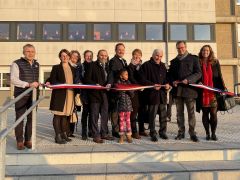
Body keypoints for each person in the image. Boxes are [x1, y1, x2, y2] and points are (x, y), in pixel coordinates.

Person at [168, 41, 202, 142]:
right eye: (178, 48)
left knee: (191, 113)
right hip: (178, 91)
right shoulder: (173, 61)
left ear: (185, 47)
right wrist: (172, 81)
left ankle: (192, 133)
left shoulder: (193, 59)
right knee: (179, 113)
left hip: (190, 90)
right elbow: (169, 75)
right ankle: (181, 132)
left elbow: (198, 73)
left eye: (182, 47)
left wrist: (189, 80)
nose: (180, 49)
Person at [10, 44, 40, 150]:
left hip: (33, 96)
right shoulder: (16, 63)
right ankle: (19, 141)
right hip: (21, 95)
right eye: (28, 51)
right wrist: (28, 84)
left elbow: (35, 80)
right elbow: (13, 79)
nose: (30, 53)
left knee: (31, 119)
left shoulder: (37, 64)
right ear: (23, 52)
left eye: (32, 51)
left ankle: (28, 140)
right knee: (20, 118)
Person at [139, 49, 170, 142]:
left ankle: (163, 132)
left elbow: (166, 79)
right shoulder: (146, 65)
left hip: (162, 95)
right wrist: (152, 85)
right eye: (157, 55)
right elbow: (142, 79)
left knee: (163, 115)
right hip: (152, 95)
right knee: (152, 115)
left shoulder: (163, 66)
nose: (158, 58)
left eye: (160, 56)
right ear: (153, 55)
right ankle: (152, 133)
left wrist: (167, 85)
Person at [196, 45, 225, 141]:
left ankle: (213, 133)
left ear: (210, 51)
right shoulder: (198, 62)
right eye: (204, 50)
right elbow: (196, 74)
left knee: (213, 114)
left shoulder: (215, 62)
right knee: (205, 113)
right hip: (203, 92)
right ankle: (207, 133)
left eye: (207, 50)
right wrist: (197, 82)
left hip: (213, 93)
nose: (205, 52)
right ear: (201, 51)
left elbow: (219, 75)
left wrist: (223, 88)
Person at [84, 49, 114, 143]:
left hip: (105, 94)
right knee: (94, 116)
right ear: (98, 56)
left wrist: (109, 83)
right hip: (95, 94)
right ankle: (95, 135)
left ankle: (104, 133)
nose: (103, 57)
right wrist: (94, 84)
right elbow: (86, 79)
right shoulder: (92, 65)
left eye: (105, 55)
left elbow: (111, 77)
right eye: (101, 55)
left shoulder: (108, 66)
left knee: (105, 115)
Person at [49, 49, 75, 144]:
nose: (65, 57)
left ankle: (64, 134)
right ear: (60, 57)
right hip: (60, 95)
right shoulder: (56, 67)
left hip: (70, 94)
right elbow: (52, 79)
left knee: (65, 116)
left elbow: (75, 81)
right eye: (63, 56)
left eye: (67, 55)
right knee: (58, 116)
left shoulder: (72, 68)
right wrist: (62, 84)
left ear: (69, 57)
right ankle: (57, 136)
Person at [108, 43, 128, 138]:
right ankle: (115, 130)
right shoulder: (112, 61)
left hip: (123, 90)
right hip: (116, 90)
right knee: (115, 112)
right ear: (115, 50)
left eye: (123, 50)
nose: (121, 51)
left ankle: (121, 129)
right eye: (119, 49)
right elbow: (111, 74)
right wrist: (111, 84)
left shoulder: (124, 61)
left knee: (121, 111)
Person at [127, 49, 143, 139]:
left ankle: (142, 130)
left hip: (142, 91)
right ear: (132, 56)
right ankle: (134, 131)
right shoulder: (130, 66)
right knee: (134, 112)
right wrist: (139, 85)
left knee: (142, 111)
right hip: (135, 92)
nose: (137, 57)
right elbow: (131, 78)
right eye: (135, 55)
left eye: (139, 55)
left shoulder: (142, 66)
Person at [79, 50, 93, 140]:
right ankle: (84, 132)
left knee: (93, 113)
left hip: (94, 93)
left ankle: (91, 131)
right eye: (87, 56)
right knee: (85, 113)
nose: (89, 57)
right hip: (85, 93)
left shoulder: (94, 65)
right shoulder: (81, 66)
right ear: (84, 57)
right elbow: (79, 77)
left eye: (90, 56)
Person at [116, 69, 134, 143]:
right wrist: (121, 90)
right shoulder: (118, 83)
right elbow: (117, 95)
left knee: (128, 121)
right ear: (121, 76)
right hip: (121, 106)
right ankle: (121, 136)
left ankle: (129, 135)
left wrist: (128, 90)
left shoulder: (129, 82)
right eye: (125, 74)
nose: (127, 76)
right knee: (121, 121)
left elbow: (132, 95)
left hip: (128, 106)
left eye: (127, 74)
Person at [68, 50, 81, 137]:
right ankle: (65, 131)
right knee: (67, 112)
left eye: (77, 56)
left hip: (75, 92)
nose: (75, 58)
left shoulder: (79, 67)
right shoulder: (66, 65)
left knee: (73, 112)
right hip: (67, 92)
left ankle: (71, 131)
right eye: (73, 56)